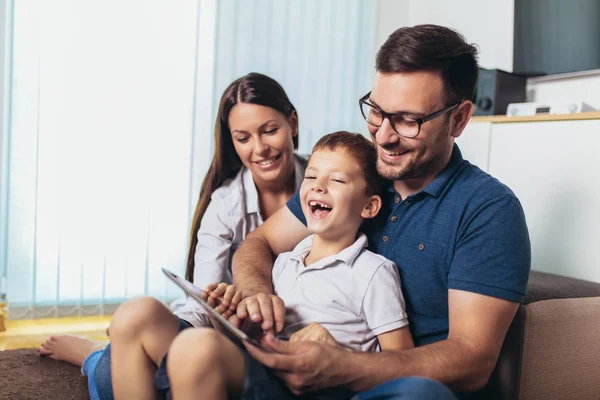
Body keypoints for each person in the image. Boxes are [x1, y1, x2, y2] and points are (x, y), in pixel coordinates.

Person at [221, 25, 531, 399]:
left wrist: (344, 365)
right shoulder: (352, 178)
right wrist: (257, 294)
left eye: (407, 120)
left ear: (459, 119)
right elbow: (259, 243)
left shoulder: (487, 209)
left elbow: (473, 360)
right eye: (377, 112)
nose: (382, 135)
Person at [37, 72, 306, 400]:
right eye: (243, 138)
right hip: (224, 342)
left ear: (292, 123)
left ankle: (95, 355)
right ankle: (108, 350)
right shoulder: (224, 206)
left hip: (280, 349)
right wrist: (224, 310)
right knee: (135, 321)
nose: (260, 148)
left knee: (112, 371)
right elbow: (200, 312)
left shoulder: (326, 182)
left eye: (270, 130)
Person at [165, 131, 415, 400]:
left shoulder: (372, 272)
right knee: (179, 338)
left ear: (369, 206)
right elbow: (259, 339)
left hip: (322, 389)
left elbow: (402, 362)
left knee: (195, 348)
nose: (318, 186)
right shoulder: (284, 262)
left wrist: (342, 357)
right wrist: (230, 321)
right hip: (269, 376)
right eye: (310, 176)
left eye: (337, 180)